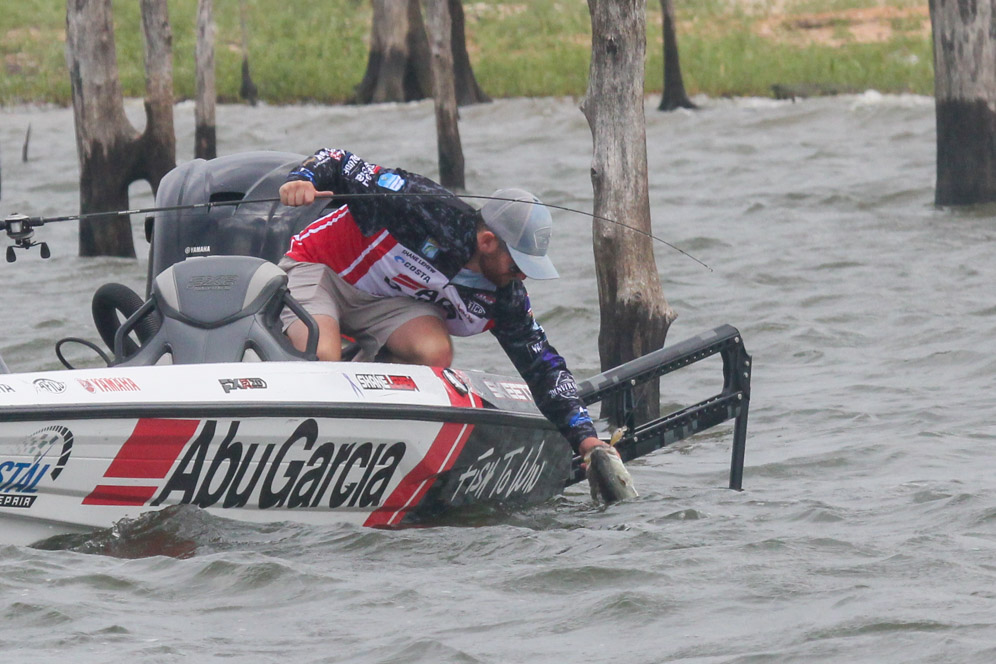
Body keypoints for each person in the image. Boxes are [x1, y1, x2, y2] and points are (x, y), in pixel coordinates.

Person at [277, 147, 612, 460]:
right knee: (324, 357)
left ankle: (364, 428)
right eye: (517, 266)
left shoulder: (505, 296)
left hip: (384, 302)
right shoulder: (421, 207)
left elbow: (543, 366)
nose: (521, 277)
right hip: (321, 268)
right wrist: (303, 179)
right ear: (487, 241)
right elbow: (339, 161)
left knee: (434, 352)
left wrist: (585, 439)